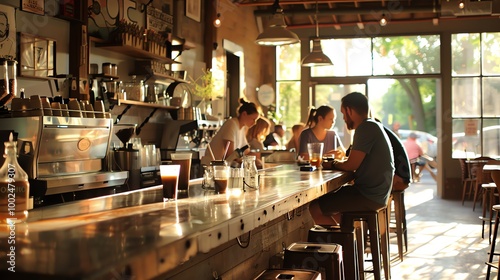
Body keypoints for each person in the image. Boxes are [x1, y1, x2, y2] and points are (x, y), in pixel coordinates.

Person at [309, 92, 395, 226]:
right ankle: (347, 239)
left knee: (315, 208)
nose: (343, 118)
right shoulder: (373, 125)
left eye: (343, 113)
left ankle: (341, 245)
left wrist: (332, 164)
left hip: (368, 195)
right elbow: (355, 161)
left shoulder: (365, 128)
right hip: (377, 194)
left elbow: (351, 165)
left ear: (349, 110)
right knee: (336, 210)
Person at [201, 98, 260, 166]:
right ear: (244, 114)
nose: (254, 123)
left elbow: (246, 151)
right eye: (253, 119)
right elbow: (230, 155)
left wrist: (256, 160)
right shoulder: (231, 124)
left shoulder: (242, 128)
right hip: (213, 166)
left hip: (223, 167)